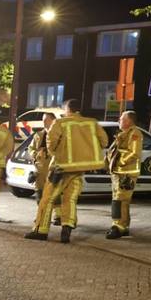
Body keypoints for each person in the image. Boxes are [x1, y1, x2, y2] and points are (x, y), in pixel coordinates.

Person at [25, 99, 107, 243]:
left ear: (67, 109)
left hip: (60, 169)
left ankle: (41, 230)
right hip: (80, 169)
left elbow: (51, 142)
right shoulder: (92, 123)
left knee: (47, 199)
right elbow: (104, 141)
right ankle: (67, 227)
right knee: (70, 199)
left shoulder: (60, 123)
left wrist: (56, 154)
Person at [106, 110, 142, 239]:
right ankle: (124, 226)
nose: (119, 120)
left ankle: (117, 226)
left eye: (121, 118)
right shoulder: (124, 134)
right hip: (120, 172)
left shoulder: (134, 133)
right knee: (122, 201)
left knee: (119, 200)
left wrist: (120, 162)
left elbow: (134, 153)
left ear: (128, 121)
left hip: (126, 173)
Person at [29, 113, 63, 226]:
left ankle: (58, 216)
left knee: (55, 194)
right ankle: (41, 215)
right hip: (40, 169)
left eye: (46, 120)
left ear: (53, 121)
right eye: (43, 120)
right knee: (39, 193)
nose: (44, 123)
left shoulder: (59, 135)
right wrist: (36, 153)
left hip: (53, 168)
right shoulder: (38, 135)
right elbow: (30, 149)